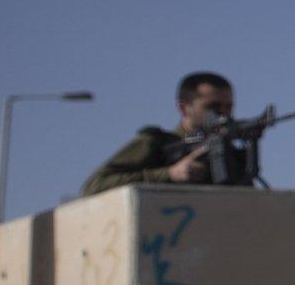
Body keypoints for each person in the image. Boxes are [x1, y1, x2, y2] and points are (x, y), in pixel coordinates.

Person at [79, 70, 234, 195]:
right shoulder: (158, 143)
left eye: (228, 107)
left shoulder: (228, 150)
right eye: (212, 107)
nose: (223, 114)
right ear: (184, 108)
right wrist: (169, 174)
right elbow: (94, 186)